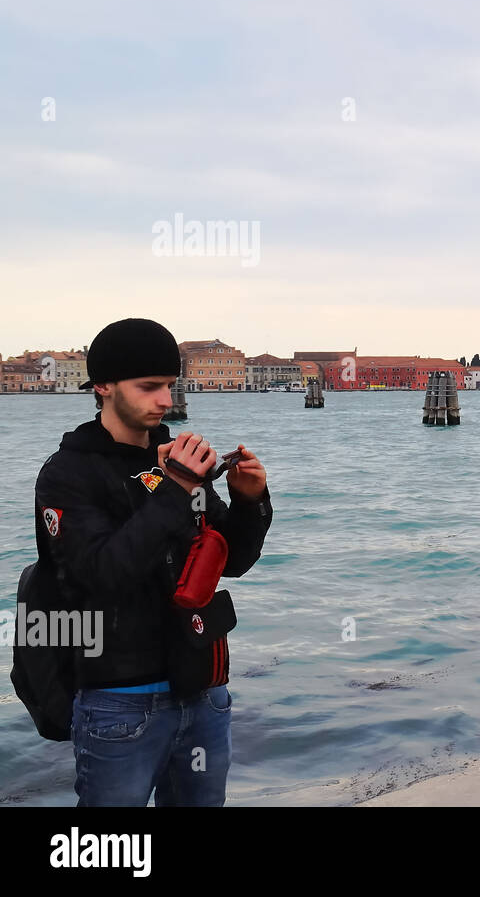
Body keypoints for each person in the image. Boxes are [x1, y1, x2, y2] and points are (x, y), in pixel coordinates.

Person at [34, 318, 272, 806]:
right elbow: (100, 576)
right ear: (102, 386)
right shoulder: (67, 474)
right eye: (149, 387)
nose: (166, 400)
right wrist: (176, 489)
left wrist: (251, 502)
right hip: (118, 698)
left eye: (169, 385)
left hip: (203, 687)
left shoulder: (176, 462)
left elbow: (232, 561)